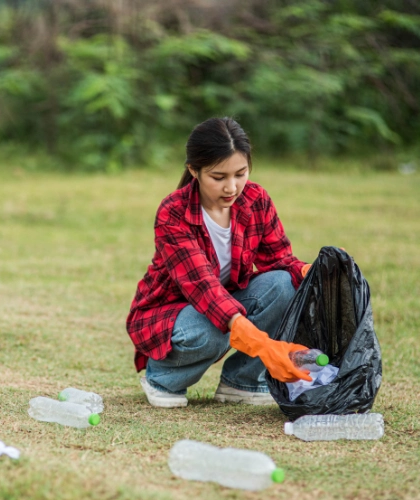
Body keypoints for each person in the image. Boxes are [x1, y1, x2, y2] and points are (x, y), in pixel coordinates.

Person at [126, 117, 314, 408]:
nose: (232, 187)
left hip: (220, 303)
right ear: (194, 171)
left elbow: (280, 259)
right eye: (218, 177)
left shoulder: (255, 199)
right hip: (173, 313)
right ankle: (162, 378)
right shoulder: (173, 212)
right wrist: (263, 345)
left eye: (241, 174)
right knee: (212, 331)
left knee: (283, 284)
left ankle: (242, 383)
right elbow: (202, 288)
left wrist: (311, 271)